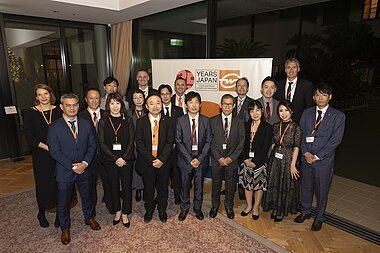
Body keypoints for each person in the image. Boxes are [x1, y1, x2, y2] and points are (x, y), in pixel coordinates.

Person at [47, 93, 100, 245]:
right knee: (63, 201)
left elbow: (92, 145)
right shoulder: (54, 127)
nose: (72, 108)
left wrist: (84, 163)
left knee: (87, 196)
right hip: (65, 171)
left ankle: (89, 218)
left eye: (75, 104)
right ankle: (65, 228)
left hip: (85, 168)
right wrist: (72, 166)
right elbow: (54, 151)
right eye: (68, 105)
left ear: (78, 105)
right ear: (61, 107)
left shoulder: (85, 123)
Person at [294, 84, 345, 231]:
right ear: (313, 97)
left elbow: (336, 140)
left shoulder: (338, 116)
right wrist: (305, 153)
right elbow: (300, 134)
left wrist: (317, 156)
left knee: (322, 191)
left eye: (324, 94)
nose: (320, 97)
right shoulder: (307, 113)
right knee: (306, 187)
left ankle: (319, 217)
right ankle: (305, 211)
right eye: (317, 95)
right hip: (306, 158)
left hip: (323, 161)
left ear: (330, 97)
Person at [24, 84, 61, 228]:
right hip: (41, 154)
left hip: (58, 153)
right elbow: (29, 135)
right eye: (40, 94)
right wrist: (47, 147)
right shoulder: (30, 112)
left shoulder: (58, 110)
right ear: (36, 97)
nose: (43, 97)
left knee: (59, 182)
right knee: (43, 183)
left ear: (50, 94)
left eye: (46, 94)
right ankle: (41, 212)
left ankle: (59, 213)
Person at [135, 94, 174, 223]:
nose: (155, 106)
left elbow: (170, 142)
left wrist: (161, 160)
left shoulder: (168, 121)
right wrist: (152, 160)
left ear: (162, 105)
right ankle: (149, 209)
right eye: (151, 103)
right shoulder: (141, 122)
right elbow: (139, 143)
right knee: (149, 187)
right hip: (147, 163)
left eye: (158, 102)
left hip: (164, 162)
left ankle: (162, 209)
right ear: (146, 106)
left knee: (163, 187)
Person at [98, 92, 135, 227]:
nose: (115, 106)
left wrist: (124, 157)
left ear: (122, 104)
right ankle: (117, 211)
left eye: (118, 103)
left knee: (126, 186)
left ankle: (125, 212)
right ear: (108, 105)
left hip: (126, 159)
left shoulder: (128, 119)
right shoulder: (103, 121)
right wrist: (115, 158)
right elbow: (101, 142)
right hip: (110, 160)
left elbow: (132, 140)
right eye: (112, 103)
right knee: (113, 186)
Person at [262, 100, 302, 222]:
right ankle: (275, 207)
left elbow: (296, 147)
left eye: (286, 110)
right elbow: (274, 144)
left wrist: (293, 165)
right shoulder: (275, 126)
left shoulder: (296, 127)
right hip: (275, 159)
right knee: (275, 183)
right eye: (281, 111)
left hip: (288, 159)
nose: (284, 114)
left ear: (291, 111)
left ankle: (281, 210)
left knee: (284, 184)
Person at [176, 91, 212, 221]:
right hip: (185, 161)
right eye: (191, 102)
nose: (194, 105)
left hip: (201, 160)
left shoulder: (206, 121)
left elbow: (209, 141)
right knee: (184, 186)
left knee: (199, 186)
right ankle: (184, 208)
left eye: (196, 102)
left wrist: (199, 159)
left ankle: (197, 208)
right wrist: (190, 160)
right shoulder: (180, 121)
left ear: (200, 104)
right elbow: (178, 141)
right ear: (186, 105)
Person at [209, 94, 245, 220]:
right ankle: (214, 205)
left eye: (230, 104)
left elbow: (241, 142)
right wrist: (218, 157)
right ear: (220, 105)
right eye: (225, 104)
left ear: (234, 106)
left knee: (230, 185)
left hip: (232, 160)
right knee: (216, 184)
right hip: (216, 159)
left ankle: (229, 206)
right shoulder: (212, 121)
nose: (227, 106)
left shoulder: (240, 122)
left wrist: (231, 158)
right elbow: (210, 141)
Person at [239, 100, 273, 220]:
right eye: (252, 110)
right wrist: (245, 159)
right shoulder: (245, 126)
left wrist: (256, 162)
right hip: (246, 161)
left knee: (258, 186)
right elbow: (241, 144)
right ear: (249, 113)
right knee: (247, 185)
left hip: (260, 162)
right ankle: (248, 206)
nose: (255, 113)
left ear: (262, 111)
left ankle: (256, 207)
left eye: (257, 110)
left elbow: (266, 147)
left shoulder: (267, 128)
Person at [78, 88, 109, 216]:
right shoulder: (80, 116)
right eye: (91, 98)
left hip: (106, 155)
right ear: (86, 100)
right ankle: (91, 210)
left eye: (96, 98)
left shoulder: (107, 114)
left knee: (109, 181)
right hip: (88, 157)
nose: (94, 100)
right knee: (90, 185)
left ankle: (110, 203)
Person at [158, 84, 184, 205]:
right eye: (162, 94)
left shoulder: (178, 110)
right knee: (162, 176)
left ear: (171, 95)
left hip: (175, 148)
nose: (165, 96)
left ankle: (177, 195)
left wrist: (174, 143)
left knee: (176, 174)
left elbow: (181, 129)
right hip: (161, 150)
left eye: (167, 94)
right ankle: (160, 197)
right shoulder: (156, 110)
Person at [274, 58, 314, 123]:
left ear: (298, 69)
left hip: (299, 123)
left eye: (294, 67)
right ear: (285, 70)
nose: (291, 70)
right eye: (288, 67)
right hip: (280, 123)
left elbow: (309, 107)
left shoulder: (306, 85)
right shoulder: (278, 85)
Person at [126, 89, 146, 202]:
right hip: (132, 146)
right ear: (132, 100)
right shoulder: (128, 113)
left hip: (146, 146)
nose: (138, 100)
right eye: (135, 98)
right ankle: (138, 189)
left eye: (140, 97)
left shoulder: (148, 111)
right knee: (135, 167)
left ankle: (146, 187)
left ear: (144, 98)